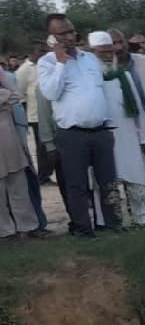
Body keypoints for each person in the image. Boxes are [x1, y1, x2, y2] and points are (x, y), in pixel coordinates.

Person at [38, 14, 122, 237]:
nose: (68, 36)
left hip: (101, 131)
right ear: (52, 38)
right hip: (72, 134)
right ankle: (84, 229)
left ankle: (114, 226)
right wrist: (60, 63)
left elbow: (102, 89)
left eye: (70, 31)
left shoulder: (89, 58)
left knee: (108, 182)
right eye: (61, 33)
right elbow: (51, 92)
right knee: (77, 185)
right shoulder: (46, 63)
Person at [89, 31, 145, 225]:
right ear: (93, 53)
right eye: (102, 52)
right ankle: (107, 223)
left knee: (137, 179)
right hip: (102, 137)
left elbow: (139, 111)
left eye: (110, 51)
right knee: (104, 184)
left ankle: (144, 219)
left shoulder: (123, 76)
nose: (108, 55)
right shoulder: (89, 80)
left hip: (128, 137)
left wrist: (144, 137)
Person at [0, 69, 39, 239]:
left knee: (18, 184)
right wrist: (4, 99)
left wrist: (4, 97)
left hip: (8, 136)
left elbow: (15, 95)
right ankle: (5, 231)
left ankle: (27, 227)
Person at [15, 42, 51, 186]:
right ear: (32, 53)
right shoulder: (24, 70)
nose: (44, 53)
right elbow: (19, 93)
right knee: (42, 148)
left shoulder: (48, 64)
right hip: (36, 115)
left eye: (45, 50)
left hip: (52, 113)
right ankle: (43, 177)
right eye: (40, 51)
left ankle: (48, 174)